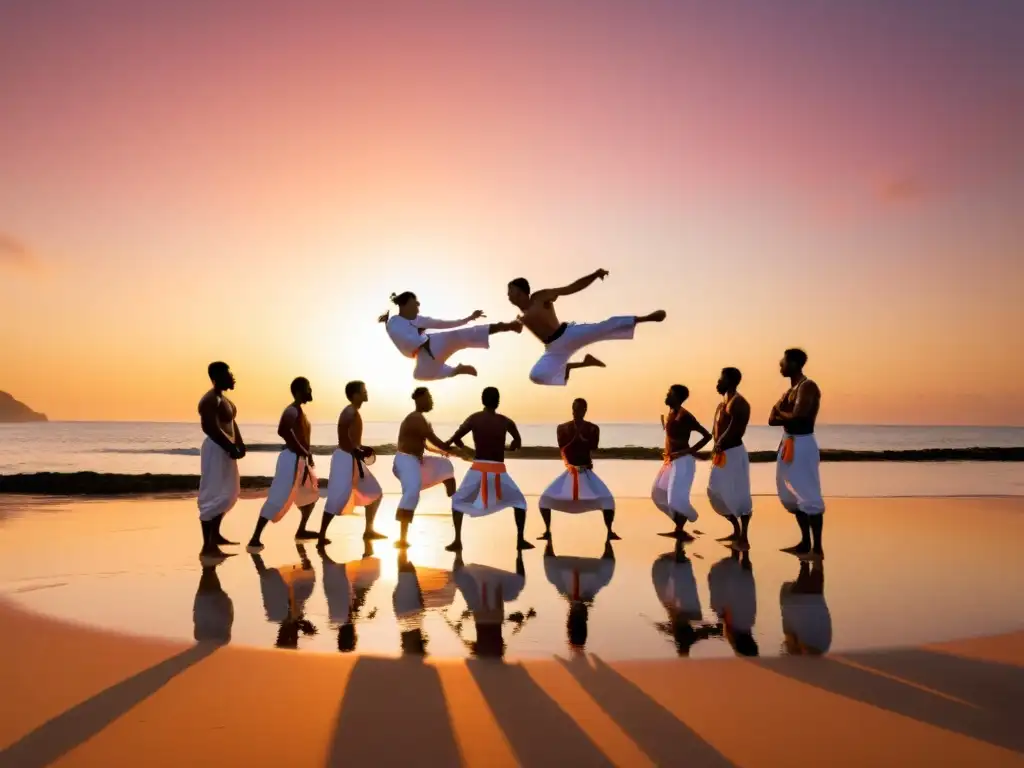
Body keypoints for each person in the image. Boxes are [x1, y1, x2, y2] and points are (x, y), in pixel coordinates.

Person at [506, 270, 666, 386]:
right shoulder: (520, 316)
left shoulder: (540, 297)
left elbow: (570, 288)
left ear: (521, 292)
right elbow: (513, 327)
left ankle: (647, 318)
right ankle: (581, 364)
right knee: (537, 376)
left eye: (511, 290)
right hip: (553, 349)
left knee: (604, 327)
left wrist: (595, 275)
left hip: (567, 334)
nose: (508, 294)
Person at [444, 387, 531, 552]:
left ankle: (457, 541)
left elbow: (455, 438)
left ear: (482, 400)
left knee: (457, 501)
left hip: (478, 469)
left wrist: (464, 450)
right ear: (497, 402)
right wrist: (509, 447)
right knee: (519, 502)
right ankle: (520, 540)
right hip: (499, 470)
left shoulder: (474, 418)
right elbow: (517, 442)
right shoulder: (506, 421)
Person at [379, 291, 522, 380]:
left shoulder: (418, 320)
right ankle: (456, 370)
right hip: (423, 353)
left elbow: (443, 324)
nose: (418, 305)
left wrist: (468, 318)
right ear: (404, 305)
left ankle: (510, 325)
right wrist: (419, 335)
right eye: (414, 303)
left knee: (462, 334)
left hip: (431, 345)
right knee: (419, 375)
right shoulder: (394, 322)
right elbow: (402, 339)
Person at [248, 377, 320, 550]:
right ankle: (255, 538)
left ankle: (301, 530)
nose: (310, 391)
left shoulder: (300, 412)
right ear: (298, 391)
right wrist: (302, 451)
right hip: (291, 459)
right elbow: (283, 430)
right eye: (308, 388)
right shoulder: (292, 410)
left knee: (310, 494)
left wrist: (306, 454)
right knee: (278, 497)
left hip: (300, 459)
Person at [769, 348, 825, 559]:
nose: (780, 365)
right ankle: (804, 542)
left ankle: (817, 549)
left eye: (783, 362)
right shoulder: (789, 392)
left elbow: (799, 417)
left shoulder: (807, 386)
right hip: (788, 442)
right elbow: (771, 419)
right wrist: (784, 414)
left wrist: (781, 412)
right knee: (790, 493)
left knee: (809, 494)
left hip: (802, 444)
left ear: (794, 363)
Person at [537, 398, 618, 541]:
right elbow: (562, 446)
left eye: (579, 409)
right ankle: (547, 530)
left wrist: (583, 439)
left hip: (586, 472)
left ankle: (610, 531)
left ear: (585, 411)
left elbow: (594, 446)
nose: (576, 412)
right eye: (574, 409)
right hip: (570, 472)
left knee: (607, 500)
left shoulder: (593, 428)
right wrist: (575, 438)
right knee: (545, 499)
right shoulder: (562, 428)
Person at [318, 380, 385, 546]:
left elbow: (352, 439)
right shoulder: (349, 411)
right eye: (363, 390)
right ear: (355, 394)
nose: (366, 393)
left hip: (353, 457)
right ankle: (321, 537)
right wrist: (357, 451)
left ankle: (369, 530)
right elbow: (342, 437)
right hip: (345, 459)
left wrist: (362, 448)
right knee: (336, 499)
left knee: (375, 492)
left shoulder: (353, 411)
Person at [392, 387, 457, 548]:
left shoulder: (422, 419)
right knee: (412, 491)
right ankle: (402, 538)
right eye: (429, 397)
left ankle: (455, 499)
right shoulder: (415, 418)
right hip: (405, 461)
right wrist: (450, 448)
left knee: (445, 466)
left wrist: (444, 452)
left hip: (417, 461)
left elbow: (427, 445)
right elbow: (434, 439)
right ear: (420, 399)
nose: (431, 401)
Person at [651, 385, 712, 541]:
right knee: (657, 494)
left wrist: (688, 451)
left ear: (677, 397)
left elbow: (707, 436)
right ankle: (679, 526)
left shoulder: (685, 416)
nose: (666, 395)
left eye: (669, 393)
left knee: (675, 499)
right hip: (670, 461)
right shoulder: (671, 413)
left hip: (683, 462)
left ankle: (685, 522)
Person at [197, 361, 245, 556]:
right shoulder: (209, 400)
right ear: (216, 378)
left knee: (231, 492)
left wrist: (240, 444)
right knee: (214, 494)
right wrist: (229, 446)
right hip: (216, 450)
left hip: (225, 450)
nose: (232, 377)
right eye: (228, 374)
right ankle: (208, 546)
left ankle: (215, 536)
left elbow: (232, 423)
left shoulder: (224, 400)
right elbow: (209, 428)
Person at [445, 554, 531, 658]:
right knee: (468, 580)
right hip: (483, 617)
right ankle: (458, 553)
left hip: (493, 617)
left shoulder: (495, 650)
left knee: (495, 588)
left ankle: (519, 553)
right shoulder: (486, 650)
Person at [707, 367, 754, 548]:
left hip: (733, 453)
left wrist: (720, 443)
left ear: (731, 381)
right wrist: (714, 446)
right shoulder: (722, 404)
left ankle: (743, 537)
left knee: (740, 494)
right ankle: (735, 530)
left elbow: (734, 430)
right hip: (722, 454)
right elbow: (716, 430)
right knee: (714, 490)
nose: (718, 382)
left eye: (721, 379)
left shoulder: (739, 403)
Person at [651, 541, 723, 656]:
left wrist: (714, 631)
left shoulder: (684, 636)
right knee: (680, 576)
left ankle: (679, 547)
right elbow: (701, 633)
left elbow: (701, 633)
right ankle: (679, 547)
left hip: (681, 606)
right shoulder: (683, 636)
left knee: (680, 576)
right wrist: (714, 631)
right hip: (681, 606)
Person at [544, 540, 616, 652]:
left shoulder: (594, 586)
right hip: (566, 566)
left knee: (605, 577)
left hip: (590, 568)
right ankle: (549, 540)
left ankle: (608, 540)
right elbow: (549, 567)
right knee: (553, 577)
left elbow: (609, 566)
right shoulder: (564, 588)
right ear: (569, 619)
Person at [251, 544, 318, 650]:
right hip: (290, 594)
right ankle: (254, 553)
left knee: (267, 577)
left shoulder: (274, 614)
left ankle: (254, 554)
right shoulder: (276, 614)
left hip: (286, 594)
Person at [319, 542, 380, 653]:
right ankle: (323, 543)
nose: (355, 633)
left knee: (333, 558)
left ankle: (323, 542)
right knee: (331, 558)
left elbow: (352, 604)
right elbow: (353, 603)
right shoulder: (337, 620)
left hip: (338, 586)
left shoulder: (342, 618)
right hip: (333, 585)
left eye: (354, 636)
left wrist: (365, 613)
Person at [708, 550, 758, 657]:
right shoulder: (734, 624)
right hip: (731, 578)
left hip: (744, 576)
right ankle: (737, 552)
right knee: (718, 605)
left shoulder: (750, 621)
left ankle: (741, 551)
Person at [781, 560, 831, 655]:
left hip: (811, 599)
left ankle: (808, 558)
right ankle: (806, 560)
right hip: (809, 600)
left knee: (815, 570)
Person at [193, 555, 234, 645]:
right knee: (208, 572)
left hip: (207, 599)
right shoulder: (221, 634)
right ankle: (209, 556)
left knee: (208, 572)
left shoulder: (221, 634)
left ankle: (210, 556)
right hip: (207, 598)